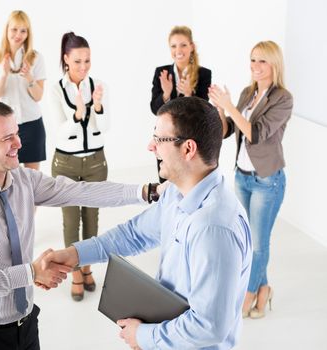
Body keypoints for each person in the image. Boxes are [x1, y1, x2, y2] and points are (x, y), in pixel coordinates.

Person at [0, 99, 149, 350]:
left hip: (25, 325)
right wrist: (30, 273)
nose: (19, 144)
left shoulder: (25, 180)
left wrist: (145, 192)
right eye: (8, 138)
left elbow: (81, 191)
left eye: (18, 134)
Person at [42, 97, 253, 350]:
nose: (150, 147)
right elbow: (133, 235)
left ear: (188, 149)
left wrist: (143, 335)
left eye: (159, 139)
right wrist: (75, 254)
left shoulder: (213, 227)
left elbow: (209, 326)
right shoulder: (176, 192)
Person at [209, 40, 292, 319]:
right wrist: (221, 110)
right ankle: (265, 289)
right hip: (242, 178)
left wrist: (230, 106)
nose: (255, 66)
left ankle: (247, 295)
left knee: (258, 245)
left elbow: (257, 133)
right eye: (253, 60)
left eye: (262, 61)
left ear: (274, 65)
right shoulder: (247, 93)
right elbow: (226, 132)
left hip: (267, 181)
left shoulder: (283, 98)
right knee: (248, 241)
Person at [48, 32, 108, 301]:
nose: (83, 67)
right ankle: (73, 272)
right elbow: (60, 132)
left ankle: (87, 266)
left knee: (92, 219)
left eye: (87, 61)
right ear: (66, 60)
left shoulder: (96, 84)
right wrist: (77, 115)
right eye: (77, 61)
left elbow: (104, 128)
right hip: (66, 164)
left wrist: (97, 106)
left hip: (96, 161)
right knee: (71, 221)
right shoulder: (56, 89)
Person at [150, 25, 211, 183]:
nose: (179, 50)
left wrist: (190, 94)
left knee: (190, 184)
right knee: (166, 186)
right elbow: (154, 109)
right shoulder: (161, 72)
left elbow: (204, 113)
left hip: (192, 140)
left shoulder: (204, 74)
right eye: (174, 46)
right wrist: (166, 94)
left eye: (183, 44)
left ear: (191, 46)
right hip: (165, 138)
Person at [0, 10, 46, 171]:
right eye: (14, 29)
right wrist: (3, 76)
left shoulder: (36, 58)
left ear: (28, 33)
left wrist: (29, 78)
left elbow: (38, 96)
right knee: (9, 175)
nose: (18, 34)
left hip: (32, 124)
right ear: (7, 30)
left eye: (23, 30)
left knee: (33, 178)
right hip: (7, 127)